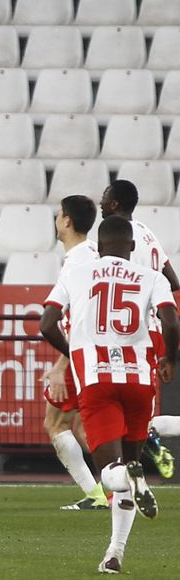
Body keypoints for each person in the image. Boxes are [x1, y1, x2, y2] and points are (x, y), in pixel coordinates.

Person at [40, 216, 178, 574]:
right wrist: (170, 360)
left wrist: (72, 353)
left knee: (112, 474)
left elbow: (46, 323)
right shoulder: (153, 277)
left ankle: (131, 477)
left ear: (97, 247)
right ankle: (114, 554)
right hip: (138, 380)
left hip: (97, 380)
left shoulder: (77, 272)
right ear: (132, 248)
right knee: (129, 463)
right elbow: (171, 321)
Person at [98, 180, 180, 479]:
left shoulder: (120, 246)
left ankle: (146, 450)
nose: (101, 202)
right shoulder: (145, 231)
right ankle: (133, 468)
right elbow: (174, 280)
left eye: (105, 198)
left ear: (116, 204)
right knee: (135, 402)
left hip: (134, 332)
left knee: (129, 407)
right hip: (150, 327)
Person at [41, 196, 108, 510]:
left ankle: (99, 494)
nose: (55, 220)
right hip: (102, 351)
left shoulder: (76, 263)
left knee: (56, 425)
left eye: (58, 215)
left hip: (82, 352)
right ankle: (115, 489)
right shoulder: (96, 253)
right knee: (83, 426)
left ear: (66, 220)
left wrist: (60, 365)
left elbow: (79, 320)